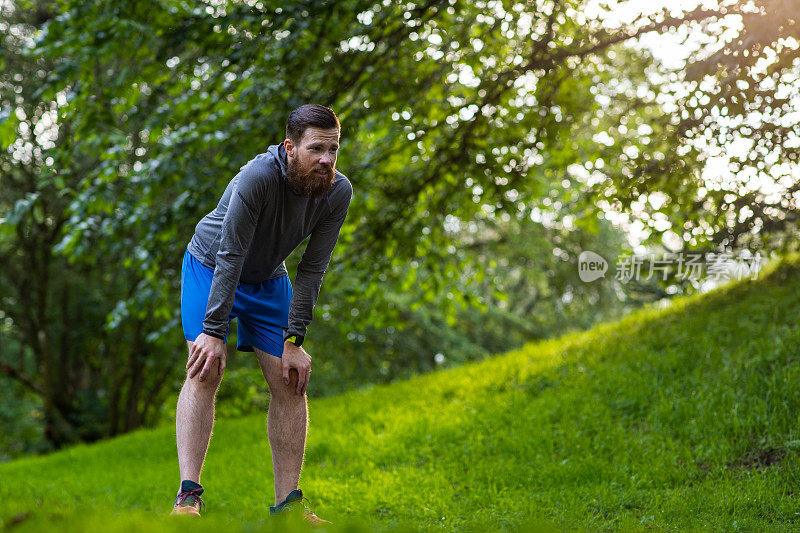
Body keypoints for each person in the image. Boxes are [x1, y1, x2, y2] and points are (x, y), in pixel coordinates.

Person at [171, 104, 352, 527]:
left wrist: (295, 340)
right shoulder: (257, 178)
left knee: (292, 380)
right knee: (205, 368)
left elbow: (313, 268)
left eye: (334, 149)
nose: (326, 159)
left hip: (268, 278)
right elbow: (230, 255)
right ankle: (188, 496)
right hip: (211, 266)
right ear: (290, 148)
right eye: (316, 149)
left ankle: (288, 507)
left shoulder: (337, 192)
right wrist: (212, 332)